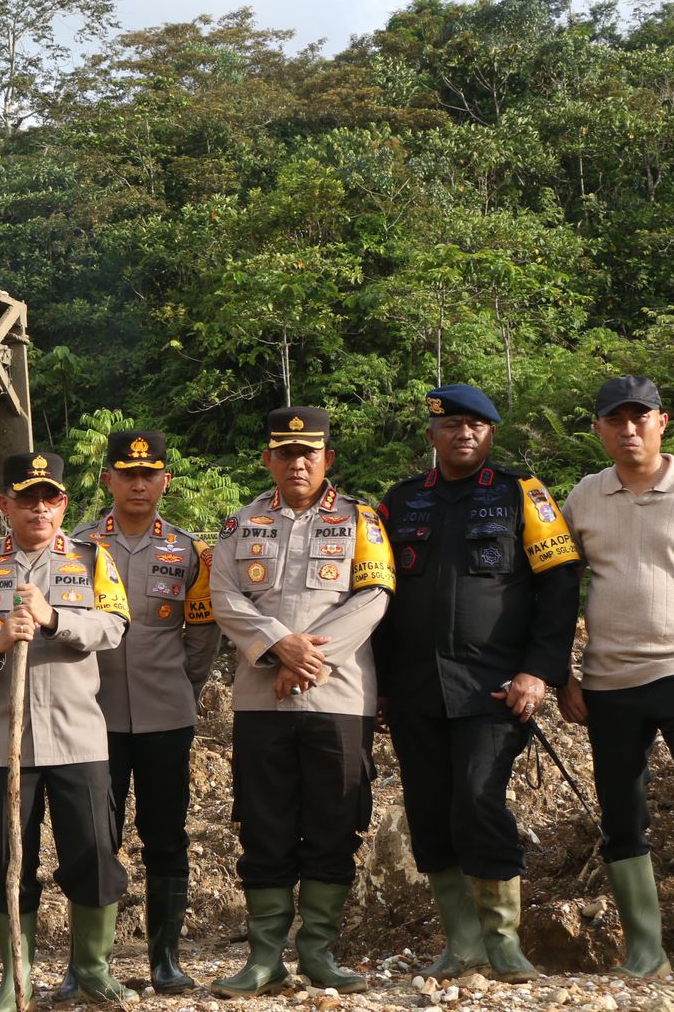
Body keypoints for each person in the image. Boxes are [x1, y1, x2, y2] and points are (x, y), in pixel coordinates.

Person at [375, 385, 580, 984]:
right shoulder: (402, 501)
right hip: (415, 688)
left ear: (490, 435)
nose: (464, 434)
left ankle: (503, 940)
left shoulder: (524, 493)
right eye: (452, 425)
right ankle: (461, 942)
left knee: (477, 797)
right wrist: (382, 686)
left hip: (494, 686)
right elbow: (380, 598)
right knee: (429, 809)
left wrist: (540, 670)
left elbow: (561, 584)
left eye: (477, 426)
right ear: (432, 435)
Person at [0, 451, 133, 1010]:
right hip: (4, 744)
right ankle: (13, 977)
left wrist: (53, 619)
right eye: (26, 499)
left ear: (63, 502)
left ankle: (91, 970)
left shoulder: (93, 560)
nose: (39, 509)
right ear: (4, 505)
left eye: (49, 498)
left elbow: (114, 625)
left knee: (94, 853)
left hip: (79, 739)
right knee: (9, 860)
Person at [207, 408, 393, 996]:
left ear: (328, 459)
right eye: (286, 452)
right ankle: (264, 956)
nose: (298, 461)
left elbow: (375, 595)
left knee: (335, 822)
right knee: (262, 824)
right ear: (269, 459)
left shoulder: (362, 519)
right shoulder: (240, 524)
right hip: (261, 703)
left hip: (338, 699)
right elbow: (223, 595)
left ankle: (318, 952)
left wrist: (309, 662)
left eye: (309, 452)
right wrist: (277, 647)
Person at [558, 376, 674, 979]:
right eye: (615, 420)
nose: (628, 429)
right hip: (607, 679)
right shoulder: (584, 495)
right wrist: (559, 674)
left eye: (640, 417)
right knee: (621, 810)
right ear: (600, 429)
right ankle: (645, 952)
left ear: (663, 421)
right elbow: (555, 587)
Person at [59, 430, 218, 996]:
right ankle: (85, 963)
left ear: (165, 482)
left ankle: (165, 959)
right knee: (91, 838)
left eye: (149, 474)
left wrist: (183, 684)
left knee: (166, 835)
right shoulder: (76, 548)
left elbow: (201, 633)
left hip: (165, 713)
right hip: (88, 716)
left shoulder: (188, 551)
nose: (138, 483)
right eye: (127, 473)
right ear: (108, 480)